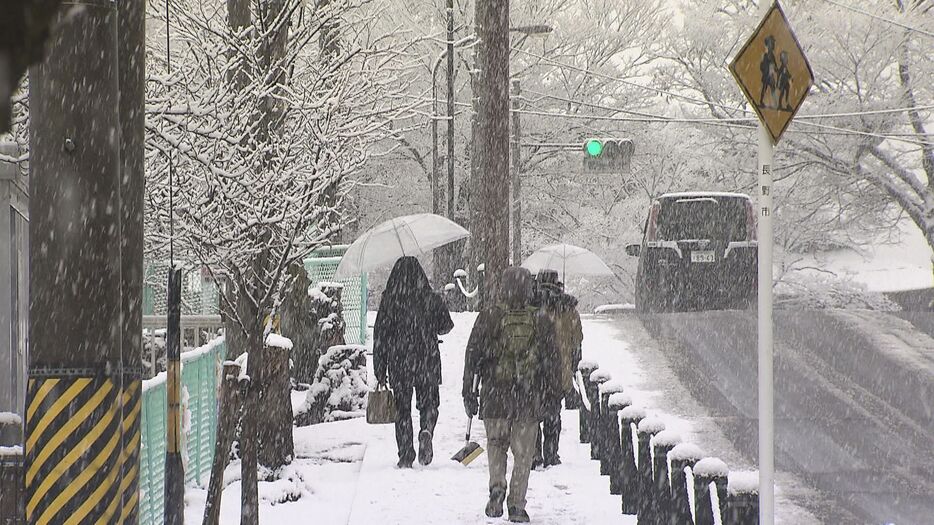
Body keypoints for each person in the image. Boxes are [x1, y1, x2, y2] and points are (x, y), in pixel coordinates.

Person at [463, 267, 560, 523]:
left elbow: (472, 354)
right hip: (527, 397)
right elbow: (552, 361)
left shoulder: (489, 316)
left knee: (496, 444)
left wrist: (468, 391)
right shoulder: (541, 319)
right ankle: (516, 503)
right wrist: (552, 395)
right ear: (530, 288)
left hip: (495, 395)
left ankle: (497, 485)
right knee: (523, 453)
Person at [374, 256, 453, 468]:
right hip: (427, 359)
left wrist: (380, 369)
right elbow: (446, 326)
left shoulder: (389, 301)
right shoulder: (430, 298)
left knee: (402, 409)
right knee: (429, 403)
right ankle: (426, 429)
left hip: (400, 362)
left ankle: (405, 455)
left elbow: (380, 336)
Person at [531, 270, 583, 470]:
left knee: (533, 413)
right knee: (553, 412)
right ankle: (551, 453)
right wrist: (573, 362)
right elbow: (577, 341)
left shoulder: (532, 305)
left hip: (534, 368)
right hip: (558, 367)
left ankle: (535, 453)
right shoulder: (569, 309)